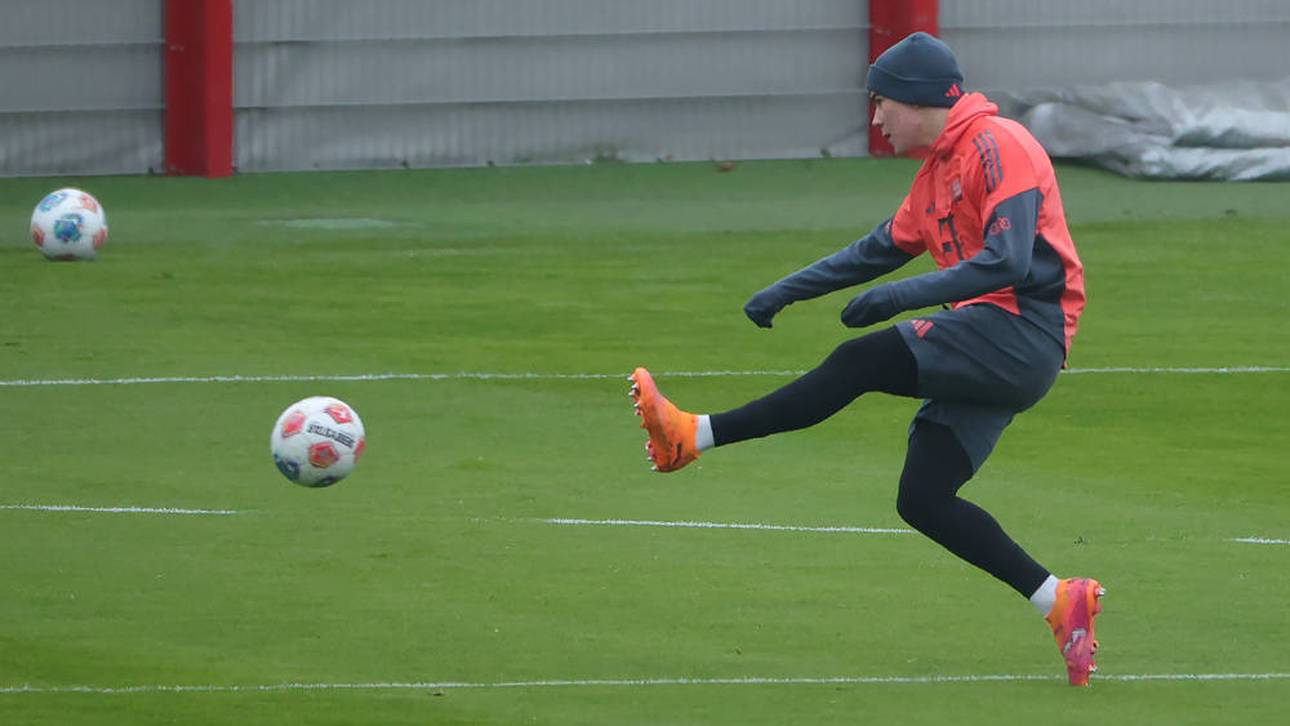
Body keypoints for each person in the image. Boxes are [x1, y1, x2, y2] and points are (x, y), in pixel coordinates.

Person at [628, 31, 1104, 687]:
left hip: (1023, 332)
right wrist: (785, 290)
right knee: (924, 499)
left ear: (917, 98)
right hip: (996, 342)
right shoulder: (935, 174)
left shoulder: (1000, 146)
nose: (875, 118)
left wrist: (900, 298)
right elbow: (876, 250)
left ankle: (693, 435)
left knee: (860, 362)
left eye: (882, 103)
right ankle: (1059, 599)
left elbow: (1010, 260)